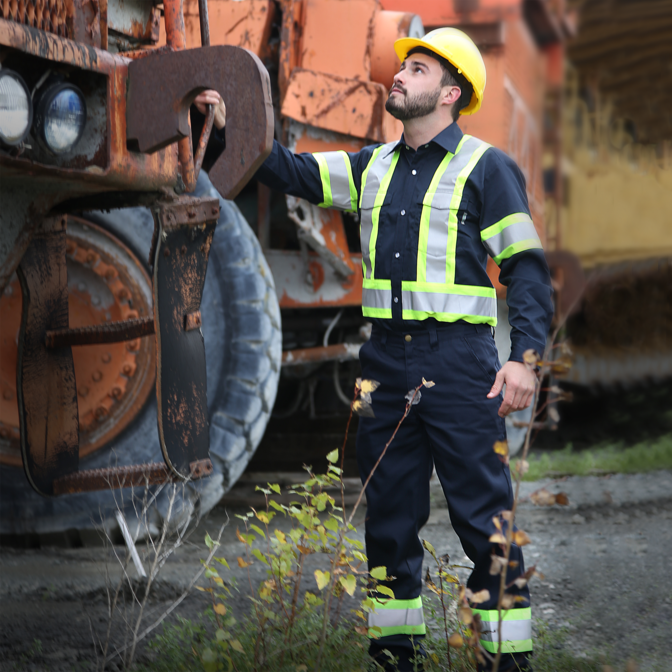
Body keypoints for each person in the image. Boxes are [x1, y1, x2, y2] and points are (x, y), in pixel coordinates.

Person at [197, 27, 552, 672]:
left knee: (484, 519)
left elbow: (526, 269)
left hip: (460, 362)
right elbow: (288, 169)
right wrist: (225, 125)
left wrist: (523, 359)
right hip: (386, 363)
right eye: (402, 66)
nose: (398, 75)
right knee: (387, 521)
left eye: (416, 69)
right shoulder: (374, 166)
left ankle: (507, 660)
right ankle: (394, 657)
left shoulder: (487, 168)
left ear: (450, 93)